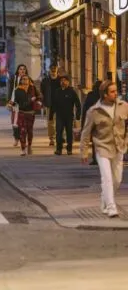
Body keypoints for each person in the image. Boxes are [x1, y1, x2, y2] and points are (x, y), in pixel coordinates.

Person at [80, 80, 127, 218]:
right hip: (102, 147)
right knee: (106, 177)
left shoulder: (123, 106)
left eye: (116, 90)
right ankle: (111, 207)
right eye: (112, 91)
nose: (115, 93)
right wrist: (84, 152)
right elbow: (85, 133)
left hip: (119, 147)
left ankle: (105, 199)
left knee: (117, 179)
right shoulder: (94, 111)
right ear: (105, 95)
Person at [53, 75, 81, 155]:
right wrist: (52, 114)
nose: (63, 82)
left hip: (69, 116)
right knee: (59, 132)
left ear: (68, 82)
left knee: (69, 132)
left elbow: (78, 104)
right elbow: (54, 103)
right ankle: (59, 149)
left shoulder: (72, 92)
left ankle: (69, 149)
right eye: (61, 80)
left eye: (65, 80)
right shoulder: (57, 91)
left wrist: (78, 115)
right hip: (59, 116)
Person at [13, 75, 37, 156]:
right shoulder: (17, 90)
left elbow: (40, 96)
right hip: (22, 113)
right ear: (20, 81)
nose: (25, 80)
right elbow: (16, 102)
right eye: (23, 79)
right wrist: (11, 105)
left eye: (26, 79)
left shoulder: (33, 88)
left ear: (29, 80)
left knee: (30, 131)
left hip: (31, 113)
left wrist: (38, 103)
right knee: (23, 131)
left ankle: (29, 146)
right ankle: (23, 149)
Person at [81, 80, 102, 165]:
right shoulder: (104, 96)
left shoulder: (90, 95)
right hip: (102, 122)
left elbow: (86, 109)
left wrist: (83, 123)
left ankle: (95, 158)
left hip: (93, 121)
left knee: (94, 140)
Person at [41, 65, 61, 147]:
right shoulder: (45, 81)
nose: (53, 71)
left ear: (57, 70)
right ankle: (51, 138)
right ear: (49, 70)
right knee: (50, 122)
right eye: (52, 70)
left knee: (60, 121)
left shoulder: (60, 80)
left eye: (54, 70)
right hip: (50, 104)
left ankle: (59, 137)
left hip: (59, 104)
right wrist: (43, 103)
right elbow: (42, 92)